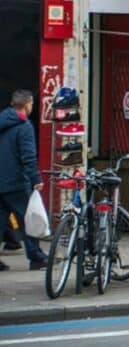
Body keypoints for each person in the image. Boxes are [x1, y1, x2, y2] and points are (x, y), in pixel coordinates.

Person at [0, 90, 47, 271]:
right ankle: (36, 257)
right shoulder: (24, 126)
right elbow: (28, 156)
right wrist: (36, 178)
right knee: (29, 220)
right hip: (16, 183)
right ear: (28, 104)